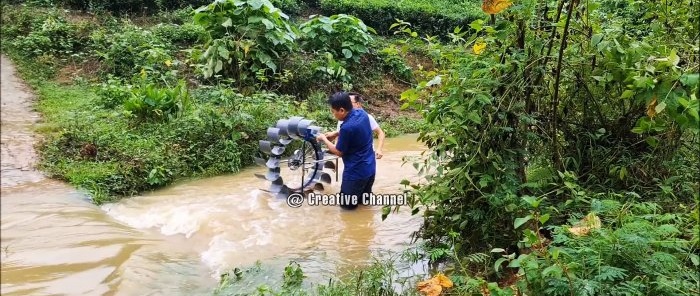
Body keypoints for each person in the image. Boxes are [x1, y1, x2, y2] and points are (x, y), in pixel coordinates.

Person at [316, 91, 376, 210]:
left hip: (355, 173)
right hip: (370, 170)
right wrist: (336, 133)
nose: (333, 114)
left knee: (347, 209)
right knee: (364, 204)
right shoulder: (362, 113)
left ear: (342, 110)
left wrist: (324, 139)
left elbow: (338, 151)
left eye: (333, 111)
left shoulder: (347, 128)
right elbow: (356, 129)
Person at [324, 92, 386, 159]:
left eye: (349, 102)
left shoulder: (367, 117)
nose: (347, 105)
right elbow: (350, 134)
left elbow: (380, 133)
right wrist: (336, 134)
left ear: (358, 104)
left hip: (359, 160)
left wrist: (379, 149)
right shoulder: (348, 117)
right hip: (364, 160)